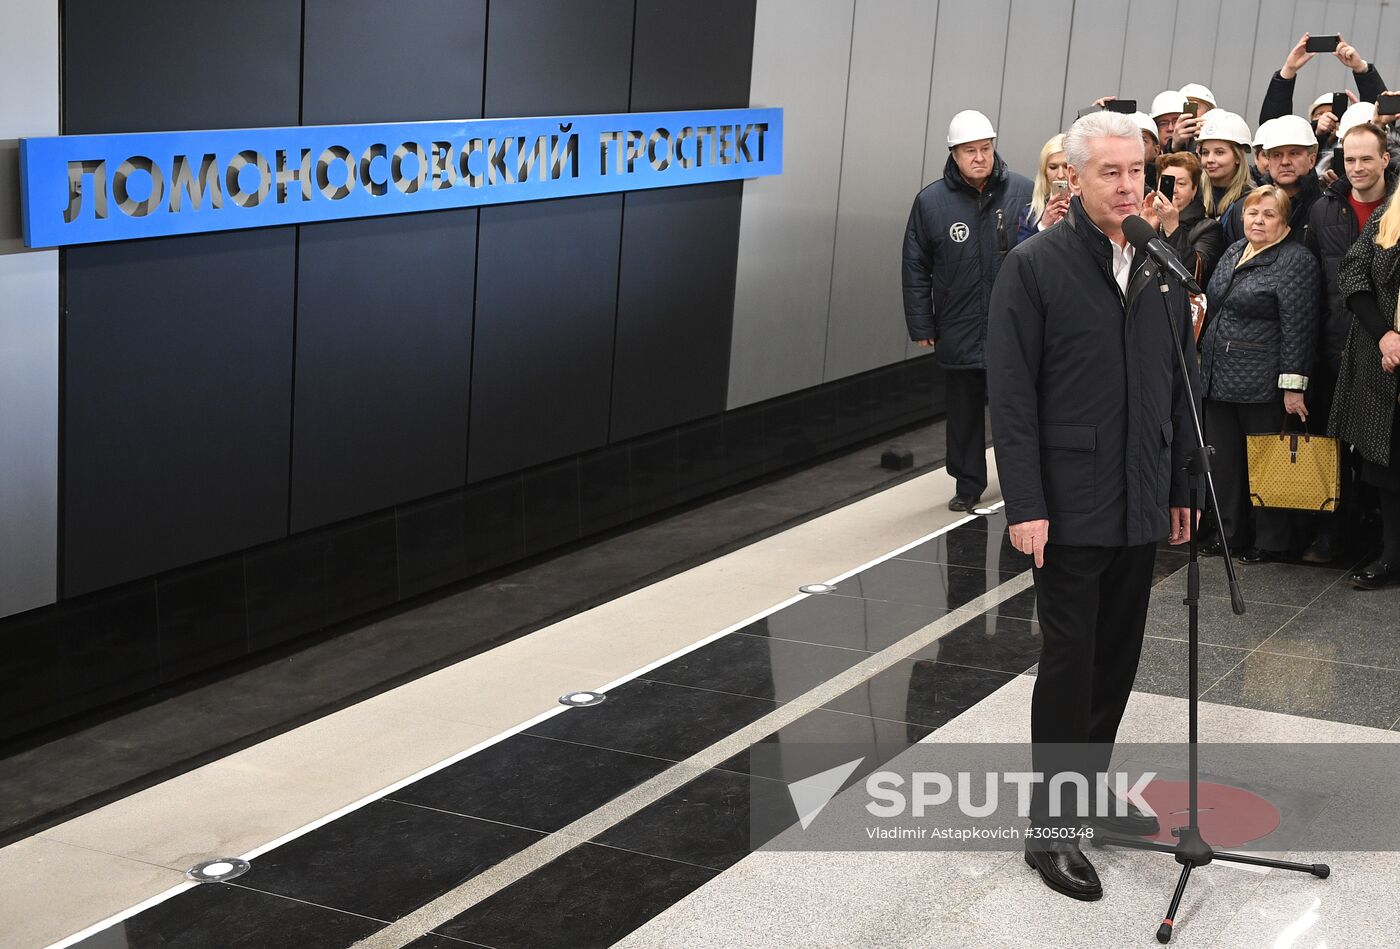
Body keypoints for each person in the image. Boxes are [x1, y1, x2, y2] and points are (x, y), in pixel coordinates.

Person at [987, 111, 1197, 901]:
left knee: (1117, 657)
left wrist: (1178, 487)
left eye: (1137, 171)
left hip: (1140, 495)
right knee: (1070, 664)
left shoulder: (1159, 261)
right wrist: (1026, 503)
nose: (1128, 186)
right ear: (1074, 178)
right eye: (1111, 173)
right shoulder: (1035, 266)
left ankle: (1087, 797)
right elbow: (1010, 400)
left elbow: (1177, 386)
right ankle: (1049, 831)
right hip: (1068, 506)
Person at [903, 110, 1033, 512]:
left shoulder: (1023, 192)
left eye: (985, 148)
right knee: (963, 414)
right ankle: (967, 483)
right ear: (953, 154)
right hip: (957, 325)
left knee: (1014, 411)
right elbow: (915, 265)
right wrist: (921, 322)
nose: (979, 157)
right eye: (969, 151)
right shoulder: (931, 202)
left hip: (1011, 327)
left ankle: (1020, 482)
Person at [1198, 186, 1322, 563]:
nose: (1258, 221)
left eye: (1268, 214)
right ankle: (1229, 534)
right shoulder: (1235, 250)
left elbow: (1299, 328)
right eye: (1252, 213)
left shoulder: (1295, 260)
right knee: (1225, 464)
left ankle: (1272, 541)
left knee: (1269, 462)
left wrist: (1293, 387)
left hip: (1264, 381)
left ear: (1284, 221)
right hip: (1219, 377)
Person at [1303, 122, 1396, 563]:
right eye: (1349, 159)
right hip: (1339, 344)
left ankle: (1381, 545)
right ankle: (1337, 539)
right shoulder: (1325, 209)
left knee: (1384, 455)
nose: (1356, 168)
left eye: (1365, 158)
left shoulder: (1396, 205)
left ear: (1385, 159)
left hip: (1387, 349)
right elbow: (1322, 284)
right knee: (1336, 448)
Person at [1332, 184, 1400, 589]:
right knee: (1389, 465)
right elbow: (1353, 273)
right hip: (1385, 359)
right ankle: (1391, 558)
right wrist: (1384, 336)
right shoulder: (1387, 215)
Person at [1221, 116, 1323, 247]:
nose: (1285, 162)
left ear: (1312, 160)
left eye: (1294, 153)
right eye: (1277, 155)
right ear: (1268, 161)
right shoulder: (1243, 207)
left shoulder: (1325, 209)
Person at [1259, 33, 1386, 126]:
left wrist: (1363, 118)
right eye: (1319, 114)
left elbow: (1385, 120)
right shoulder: (1300, 152)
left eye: (1334, 112)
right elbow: (1272, 129)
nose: (1327, 117)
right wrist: (1288, 70)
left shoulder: (1360, 148)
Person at [1146, 151, 1226, 288]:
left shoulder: (1209, 228)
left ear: (1194, 189)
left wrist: (1172, 227)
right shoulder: (1150, 218)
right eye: (1167, 182)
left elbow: (1192, 275)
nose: (1174, 190)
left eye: (1181, 184)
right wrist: (1147, 229)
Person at [1196, 111, 1255, 243]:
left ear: (1238, 158)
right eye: (1205, 153)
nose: (1210, 159)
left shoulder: (1251, 201)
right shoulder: (1194, 192)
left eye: (1219, 152)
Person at [1016, 133, 1070, 243]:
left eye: (1066, 166)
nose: (1060, 175)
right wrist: (1043, 226)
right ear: (1044, 172)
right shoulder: (1030, 214)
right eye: (1053, 167)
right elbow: (1022, 257)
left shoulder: (1091, 207)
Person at [1169, 82, 1218, 152]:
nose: (1189, 113)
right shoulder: (1168, 140)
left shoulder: (1219, 139)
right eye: (1185, 107)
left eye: (1195, 107)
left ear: (1209, 112)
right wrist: (1174, 147)